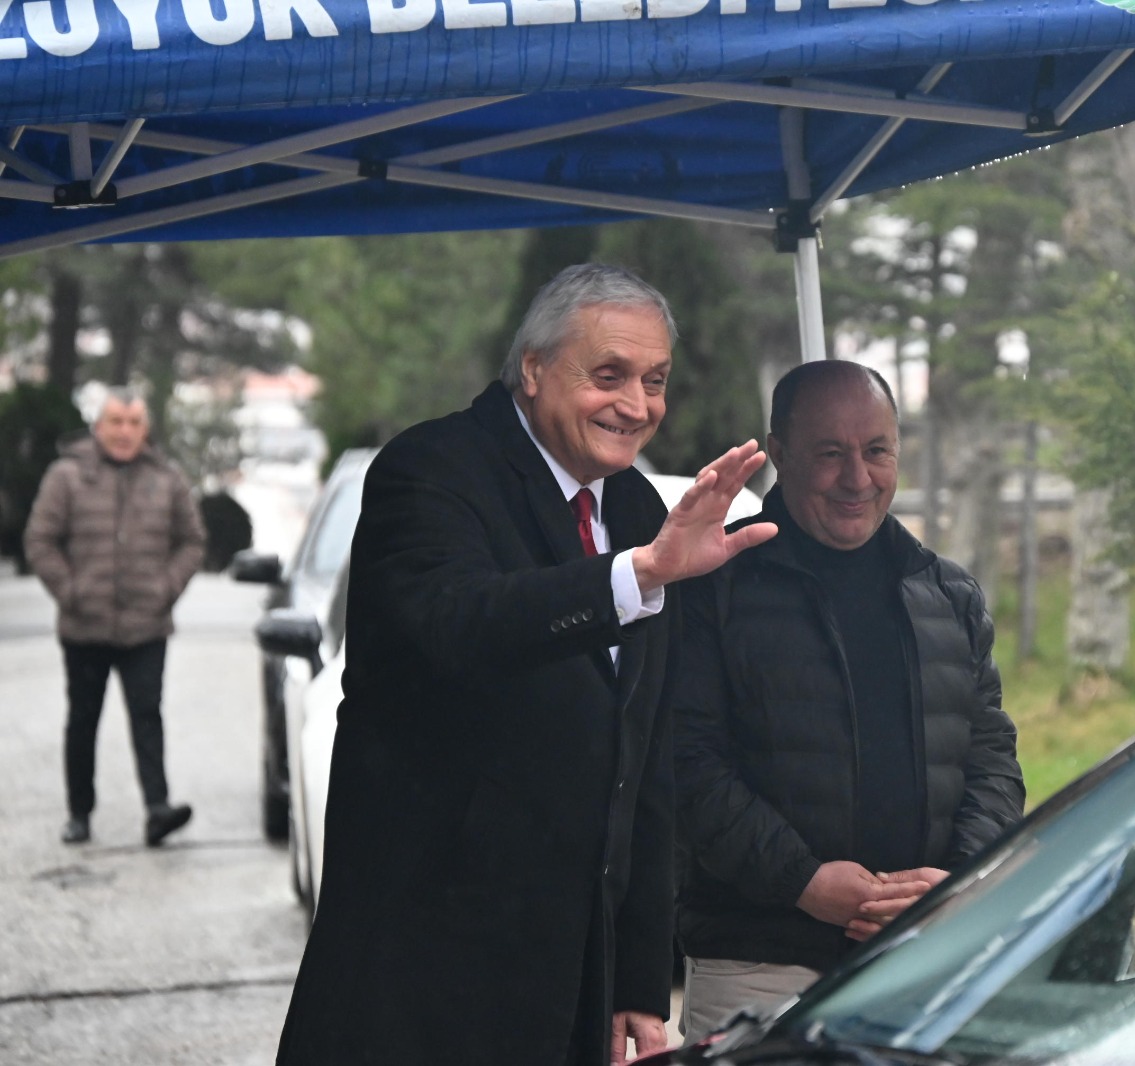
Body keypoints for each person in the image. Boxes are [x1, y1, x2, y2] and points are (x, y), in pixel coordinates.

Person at [275, 264, 776, 1066]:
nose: (637, 405)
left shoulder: (638, 509)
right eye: (608, 375)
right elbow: (457, 622)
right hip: (424, 974)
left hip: (574, 982)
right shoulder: (431, 469)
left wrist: (639, 977)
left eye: (654, 380)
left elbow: (643, 761)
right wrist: (635, 576)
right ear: (534, 368)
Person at [672, 359, 1026, 1041]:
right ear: (780, 454)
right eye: (830, 454)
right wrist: (802, 882)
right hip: (760, 962)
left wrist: (955, 882)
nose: (857, 479)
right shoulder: (714, 589)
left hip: (926, 952)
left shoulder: (948, 594)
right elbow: (687, 764)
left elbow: (991, 760)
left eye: (876, 451)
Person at [24, 387, 206, 848]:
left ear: (145, 430)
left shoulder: (166, 478)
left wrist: (167, 589)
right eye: (116, 422)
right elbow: (40, 540)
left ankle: (158, 809)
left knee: (147, 715)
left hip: (147, 625)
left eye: (134, 423)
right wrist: (71, 591)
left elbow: (192, 541)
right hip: (84, 625)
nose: (125, 432)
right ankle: (79, 813)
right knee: (83, 719)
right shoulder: (67, 476)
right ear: (98, 426)